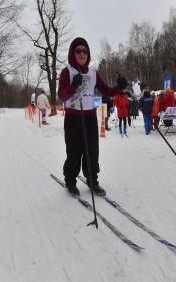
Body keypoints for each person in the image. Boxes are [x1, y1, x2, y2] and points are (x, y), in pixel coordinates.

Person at [57, 37, 128, 196]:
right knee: (74, 152)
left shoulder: (93, 72)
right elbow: (62, 96)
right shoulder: (67, 72)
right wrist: (73, 85)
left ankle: (92, 180)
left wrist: (119, 87)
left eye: (85, 51)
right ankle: (70, 181)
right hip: (73, 118)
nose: (82, 54)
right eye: (78, 51)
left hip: (89, 117)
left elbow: (106, 91)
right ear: (72, 53)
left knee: (91, 151)